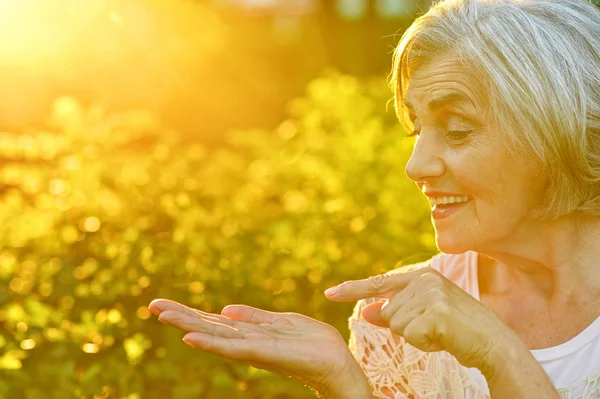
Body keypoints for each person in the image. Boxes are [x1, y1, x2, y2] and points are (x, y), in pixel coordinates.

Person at [148, 0, 600, 397]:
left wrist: (498, 354)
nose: (415, 166)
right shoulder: (393, 326)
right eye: (417, 130)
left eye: (457, 131)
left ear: (558, 133)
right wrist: (343, 383)